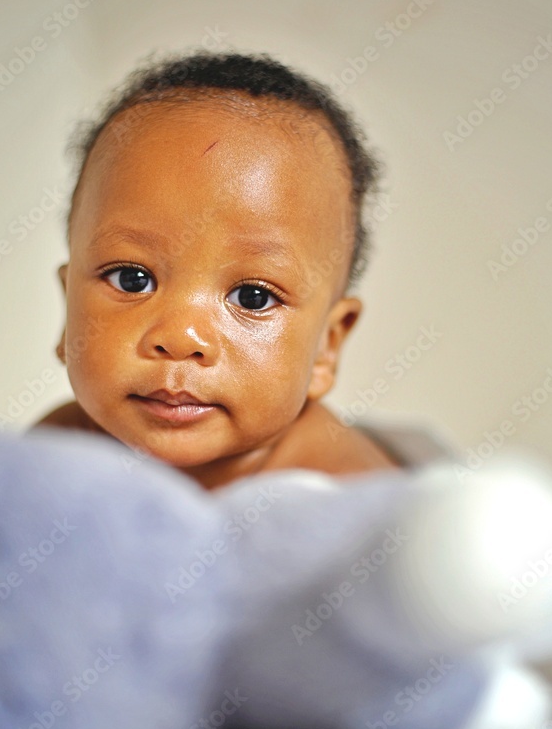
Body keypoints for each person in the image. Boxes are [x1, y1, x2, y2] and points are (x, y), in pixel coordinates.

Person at [36, 50, 401, 488]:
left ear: (327, 345)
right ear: (67, 308)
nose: (179, 338)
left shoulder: (344, 487)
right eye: (132, 279)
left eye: (253, 297)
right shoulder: (60, 450)